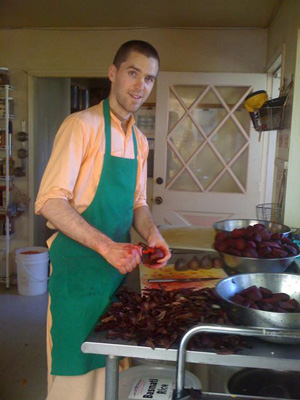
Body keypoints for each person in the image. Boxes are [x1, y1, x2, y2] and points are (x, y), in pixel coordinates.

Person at [35, 40, 171, 400]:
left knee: (114, 375)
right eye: (132, 72)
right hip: (78, 276)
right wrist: (107, 246)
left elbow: (138, 204)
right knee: (77, 377)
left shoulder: (141, 141)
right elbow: (50, 201)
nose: (140, 85)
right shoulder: (81, 126)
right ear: (113, 74)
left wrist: (153, 235)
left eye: (149, 79)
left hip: (116, 275)